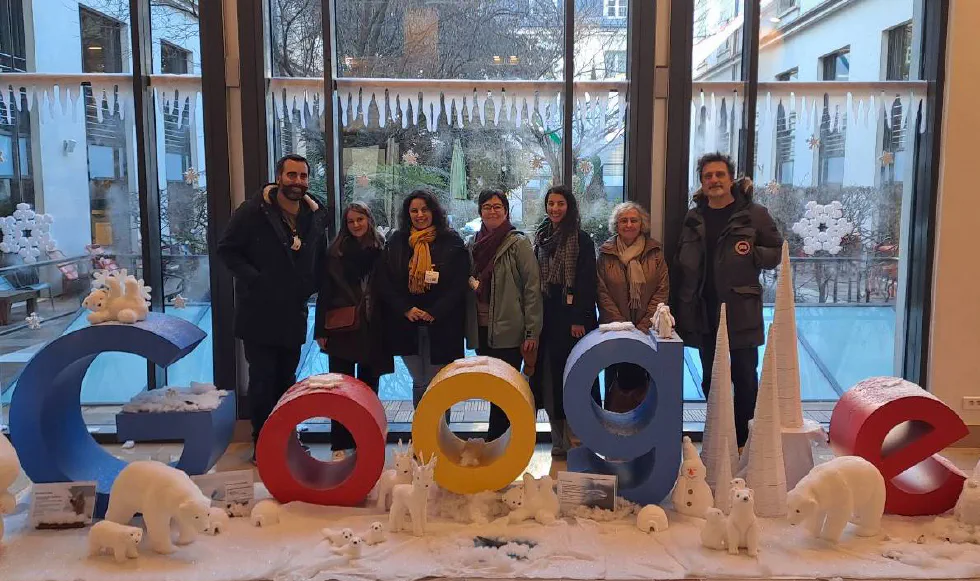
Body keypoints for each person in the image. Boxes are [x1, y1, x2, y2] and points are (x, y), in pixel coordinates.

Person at [217, 154, 328, 460]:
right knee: (263, 380)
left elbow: (319, 257)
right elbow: (226, 250)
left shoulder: (314, 216)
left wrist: (313, 285)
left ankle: (287, 437)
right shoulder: (253, 212)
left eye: (303, 176)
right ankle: (262, 443)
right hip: (259, 314)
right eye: (292, 175)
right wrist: (257, 279)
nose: (298, 182)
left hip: (293, 313)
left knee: (287, 379)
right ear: (279, 177)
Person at [671, 152, 783, 450]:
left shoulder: (754, 214)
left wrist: (753, 255)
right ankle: (720, 437)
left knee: (745, 377)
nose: (714, 180)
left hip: (741, 310)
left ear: (731, 179)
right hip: (704, 311)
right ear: (702, 182)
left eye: (719, 174)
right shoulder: (693, 217)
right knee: (711, 378)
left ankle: (745, 443)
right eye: (708, 176)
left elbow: (777, 250)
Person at [375, 191, 469, 409]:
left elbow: (459, 283)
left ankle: (442, 438)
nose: (420, 215)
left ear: (433, 211)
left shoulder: (451, 240)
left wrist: (435, 311)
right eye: (414, 211)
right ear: (408, 214)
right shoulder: (397, 241)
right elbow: (385, 282)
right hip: (408, 322)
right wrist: (406, 309)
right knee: (419, 381)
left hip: (443, 323)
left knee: (440, 383)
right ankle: (423, 434)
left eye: (424, 209)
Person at [314, 202, 393, 460]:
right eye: (351, 221)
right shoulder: (335, 252)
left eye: (360, 219)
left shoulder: (382, 250)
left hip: (374, 327)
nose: (356, 225)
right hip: (342, 328)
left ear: (368, 220)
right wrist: (320, 330)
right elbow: (324, 293)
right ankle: (339, 443)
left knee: (369, 388)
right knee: (341, 389)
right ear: (345, 225)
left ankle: (366, 440)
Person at [465, 190, 542, 441]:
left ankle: (497, 442)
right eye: (486, 206)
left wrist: (532, 331)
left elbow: (532, 288)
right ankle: (499, 443)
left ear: (506, 211)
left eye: (498, 206)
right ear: (480, 212)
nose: (492, 211)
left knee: (505, 389)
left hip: (511, 330)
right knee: (490, 387)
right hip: (482, 328)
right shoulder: (472, 243)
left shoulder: (518, 243)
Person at [530, 185, 597, 456]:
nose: (555, 208)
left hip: (574, 319)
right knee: (550, 377)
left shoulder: (581, 239)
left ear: (569, 207)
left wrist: (579, 317)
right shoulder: (541, 237)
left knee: (577, 376)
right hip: (547, 315)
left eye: (560, 203)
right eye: (551, 203)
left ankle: (580, 438)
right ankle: (559, 439)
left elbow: (587, 281)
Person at [596, 201, 670, 411]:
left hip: (647, 332)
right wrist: (622, 325)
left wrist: (643, 326)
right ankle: (611, 428)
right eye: (623, 220)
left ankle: (641, 431)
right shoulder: (605, 254)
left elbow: (662, 290)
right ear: (616, 225)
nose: (628, 225)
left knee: (643, 383)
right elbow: (601, 292)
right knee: (614, 380)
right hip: (614, 331)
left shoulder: (655, 253)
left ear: (642, 224)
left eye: (633, 220)